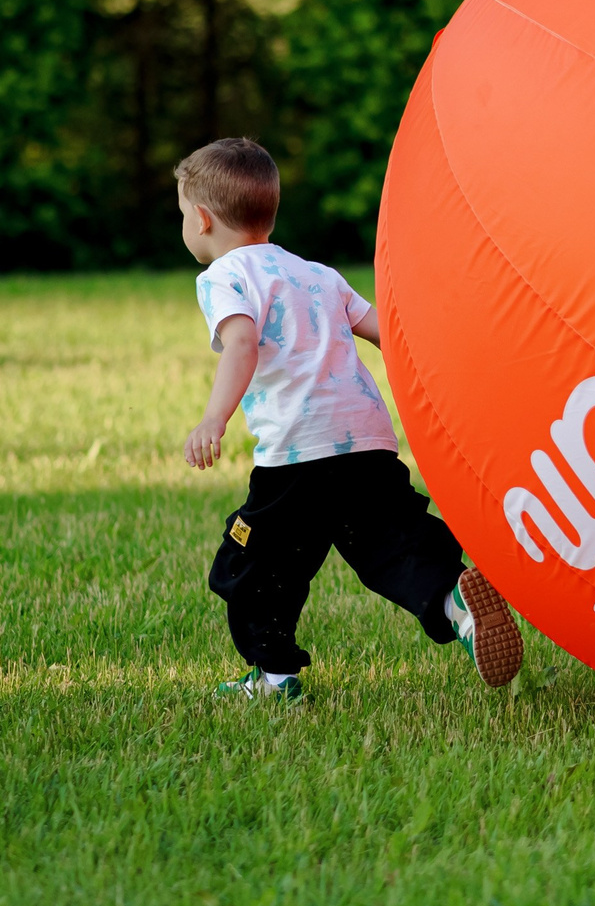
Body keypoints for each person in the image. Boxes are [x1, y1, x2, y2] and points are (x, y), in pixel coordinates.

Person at [175, 136, 522, 702]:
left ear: (204, 219)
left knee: (253, 565)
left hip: (296, 455)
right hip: (367, 442)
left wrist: (214, 419)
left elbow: (240, 345)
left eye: (183, 214)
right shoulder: (318, 273)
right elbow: (387, 334)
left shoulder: (224, 277)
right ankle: (453, 602)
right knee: (394, 543)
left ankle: (274, 677)